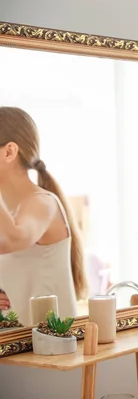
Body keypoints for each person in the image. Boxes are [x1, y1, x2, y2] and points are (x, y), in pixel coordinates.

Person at [0, 106, 87, 326]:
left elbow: (12, 239)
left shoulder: (42, 203)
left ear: (9, 152)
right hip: (15, 346)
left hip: (49, 351)